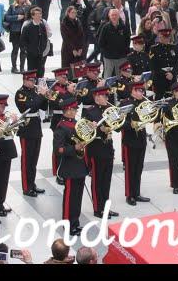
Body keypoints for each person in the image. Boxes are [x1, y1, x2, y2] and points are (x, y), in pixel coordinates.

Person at [53, 97, 88, 236]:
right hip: (69, 167)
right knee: (69, 198)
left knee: (78, 196)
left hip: (79, 165)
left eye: (75, 109)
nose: (75, 112)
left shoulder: (76, 123)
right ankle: (67, 224)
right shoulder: (61, 127)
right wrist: (75, 148)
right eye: (73, 109)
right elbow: (58, 150)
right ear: (66, 110)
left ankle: (75, 222)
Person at [83, 86, 119, 219]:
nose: (101, 98)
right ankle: (98, 208)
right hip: (96, 148)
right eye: (98, 96)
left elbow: (118, 127)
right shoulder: (90, 111)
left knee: (107, 180)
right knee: (97, 180)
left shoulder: (111, 110)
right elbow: (85, 131)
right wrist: (99, 130)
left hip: (108, 147)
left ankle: (106, 207)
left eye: (103, 96)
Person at [14, 70, 49, 197]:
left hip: (36, 127)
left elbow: (43, 108)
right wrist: (41, 95)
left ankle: (32, 184)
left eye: (34, 81)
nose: (33, 83)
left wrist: (45, 96)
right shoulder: (20, 93)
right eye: (31, 80)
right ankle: (26, 187)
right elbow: (30, 107)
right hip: (27, 129)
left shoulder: (34, 91)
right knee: (26, 160)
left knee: (34, 160)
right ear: (24, 80)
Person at [120, 81, 151, 207]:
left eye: (142, 91)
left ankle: (137, 193)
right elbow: (120, 122)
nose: (141, 93)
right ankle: (129, 195)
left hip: (141, 139)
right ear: (132, 90)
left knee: (139, 168)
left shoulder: (144, 103)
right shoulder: (125, 103)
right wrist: (131, 125)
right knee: (130, 169)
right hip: (130, 140)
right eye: (139, 90)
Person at [20, 6, 52, 79]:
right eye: (37, 14)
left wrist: (42, 48)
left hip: (40, 53)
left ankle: (39, 86)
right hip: (31, 53)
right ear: (32, 16)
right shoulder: (27, 26)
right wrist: (28, 49)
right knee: (31, 71)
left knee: (40, 70)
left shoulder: (42, 25)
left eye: (40, 14)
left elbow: (45, 38)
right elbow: (22, 40)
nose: (39, 16)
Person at [99, 8, 131, 78]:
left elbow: (128, 40)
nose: (114, 17)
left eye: (116, 15)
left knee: (121, 77)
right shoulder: (105, 27)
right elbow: (101, 42)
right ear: (109, 16)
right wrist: (106, 52)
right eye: (112, 15)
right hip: (109, 58)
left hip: (121, 57)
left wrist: (125, 51)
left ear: (119, 15)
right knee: (108, 76)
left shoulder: (123, 27)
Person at [149, 28, 178, 100]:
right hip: (160, 79)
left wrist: (172, 73)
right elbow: (153, 66)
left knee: (172, 99)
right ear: (160, 37)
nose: (167, 39)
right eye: (165, 37)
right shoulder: (154, 49)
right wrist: (166, 74)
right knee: (159, 99)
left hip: (172, 78)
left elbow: (177, 62)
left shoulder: (173, 47)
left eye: (168, 37)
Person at [3, 0, 30, 73]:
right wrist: (17, 17)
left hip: (25, 31)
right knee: (15, 49)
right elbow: (6, 17)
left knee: (24, 50)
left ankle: (22, 68)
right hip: (15, 31)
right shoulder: (12, 6)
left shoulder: (28, 6)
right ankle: (14, 67)